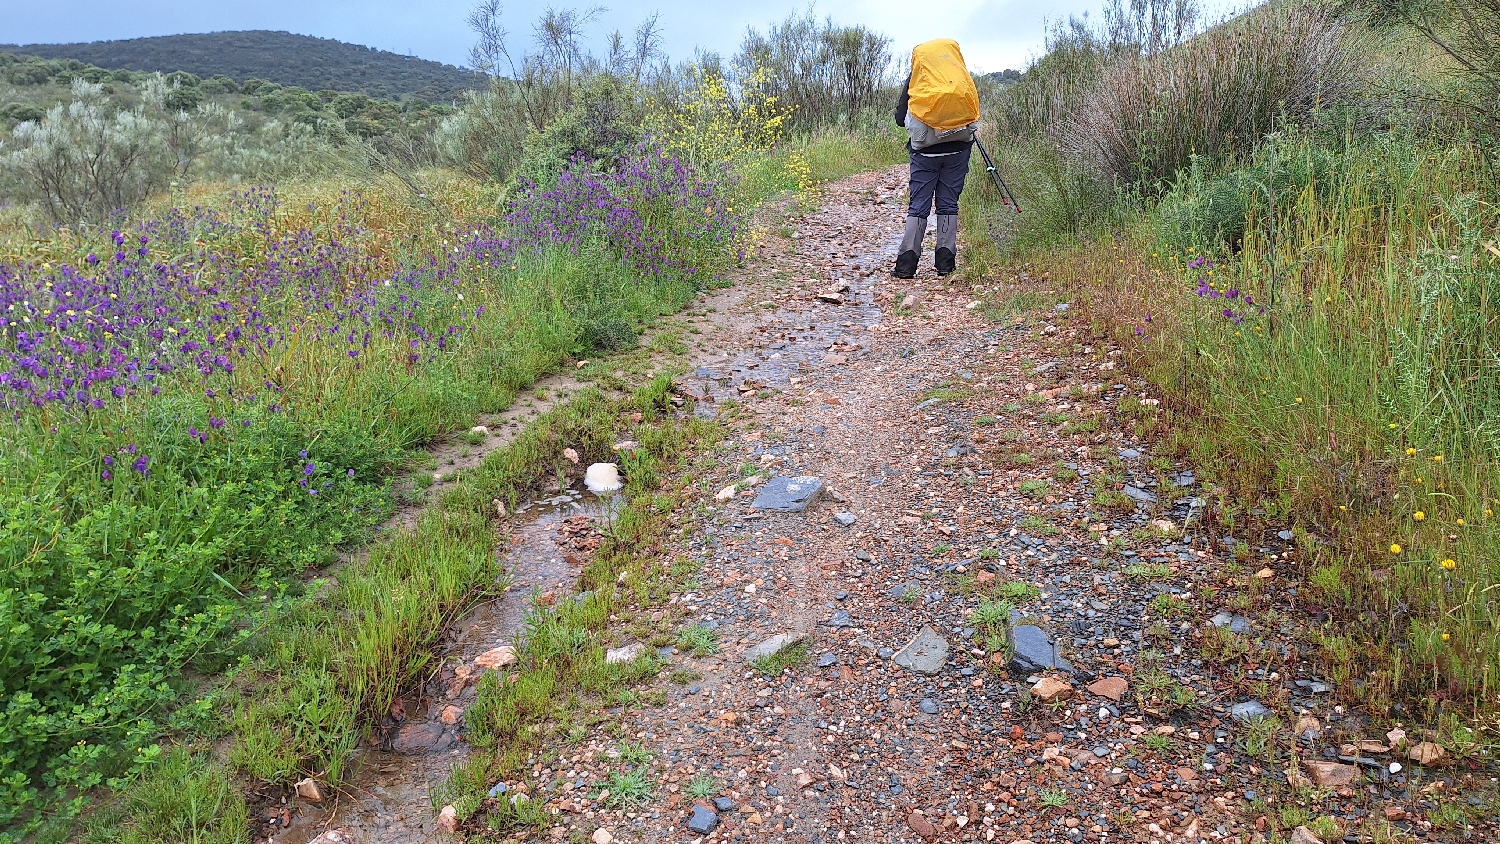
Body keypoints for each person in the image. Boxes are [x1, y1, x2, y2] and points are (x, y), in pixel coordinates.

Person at [891, 39, 980, 279]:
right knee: (948, 203)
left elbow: (901, 119)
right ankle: (945, 264)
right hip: (958, 150)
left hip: (925, 153)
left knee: (918, 205)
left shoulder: (918, 80)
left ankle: (906, 266)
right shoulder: (959, 77)